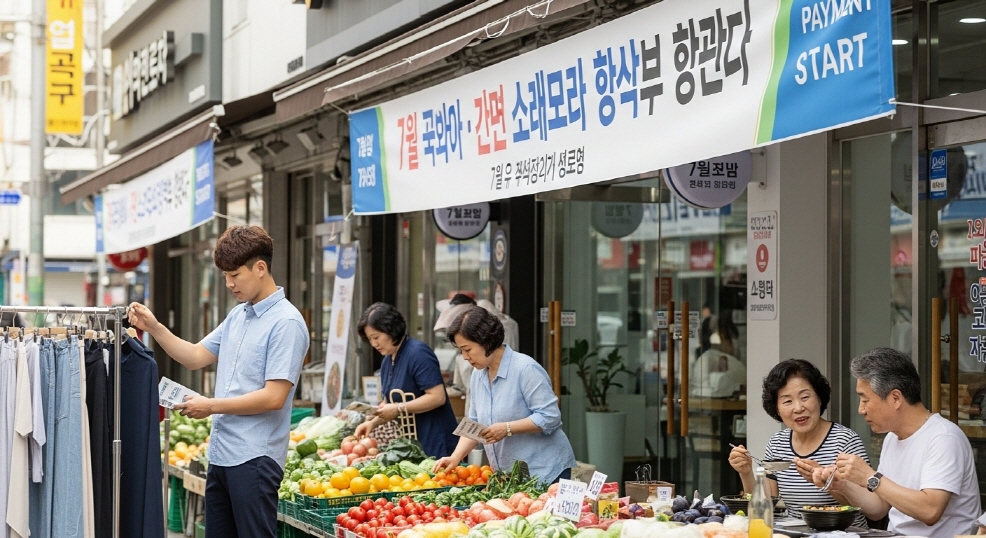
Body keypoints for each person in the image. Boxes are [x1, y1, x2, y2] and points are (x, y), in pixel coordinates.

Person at [128, 225, 309, 538]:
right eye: (225, 275)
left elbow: (273, 397)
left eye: (234, 274)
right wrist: (155, 327)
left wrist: (211, 406)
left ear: (260, 268)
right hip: (221, 453)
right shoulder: (239, 315)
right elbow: (196, 356)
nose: (228, 283)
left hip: (256, 458)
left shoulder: (287, 323)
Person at [819, 347, 980, 537]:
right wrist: (839, 485)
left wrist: (870, 477)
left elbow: (930, 511)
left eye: (865, 400)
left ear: (895, 398)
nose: (860, 410)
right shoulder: (892, 438)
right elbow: (879, 508)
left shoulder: (944, 437)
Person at [432, 305, 576, 484]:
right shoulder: (478, 374)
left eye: (467, 349)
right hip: (509, 476)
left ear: (486, 341)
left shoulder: (525, 368)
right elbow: (474, 424)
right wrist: (455, 458)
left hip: (545, 472)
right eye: (460, 351)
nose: (464, 357)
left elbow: (550, 417)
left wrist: (507, 428)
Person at [728, 359, 869, 526]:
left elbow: (867, 506)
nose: (798, 408)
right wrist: (745, 473)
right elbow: (766, 505)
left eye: (805, 397)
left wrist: (828, 482)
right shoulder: (777, 444)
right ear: (777, 409)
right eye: (787, 401)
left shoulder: (844, 441)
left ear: (819, 398)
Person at [354, 302, 458, 458]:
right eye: (369, 339)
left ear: (391, 330)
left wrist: (398, 408)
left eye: (376, 337)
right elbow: (389, 404)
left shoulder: (418, 353)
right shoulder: (388, 360)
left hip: (436, 441)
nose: (374, 344)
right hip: (412, 443)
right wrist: (372, 422)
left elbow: (437, 397)